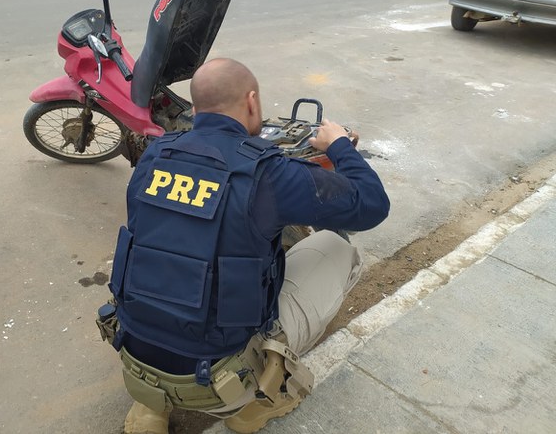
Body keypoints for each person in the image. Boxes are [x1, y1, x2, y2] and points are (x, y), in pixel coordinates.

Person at [104, 58, 390, 434]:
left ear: (194, 108)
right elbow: (372, 205)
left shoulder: (155, 153)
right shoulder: (270, 174)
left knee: (170, 278)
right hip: (217, 382)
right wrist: (339, 147)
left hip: (133, 355)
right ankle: (250, 408)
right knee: (337, 248)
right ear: (252, 102)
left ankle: (150, 409)